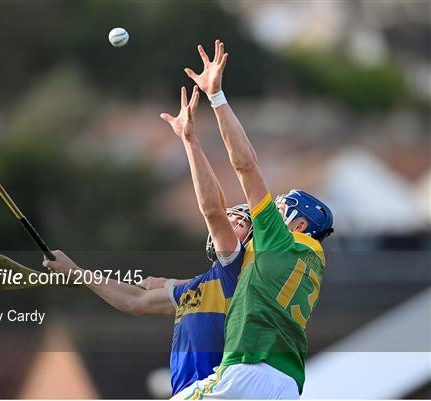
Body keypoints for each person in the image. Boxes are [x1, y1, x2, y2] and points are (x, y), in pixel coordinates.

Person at [43, 85, 253, 396]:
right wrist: (75, 271)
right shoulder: (198, 288)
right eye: (230, 219)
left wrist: (190, 141)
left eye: (238, 224)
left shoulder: (238, 274)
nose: (226, 225)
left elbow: (212, 209)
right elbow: (134, 301)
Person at [173, 40, 334, 399]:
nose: (273, 211)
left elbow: (244, 164)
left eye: (283, 208)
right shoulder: (314, 260)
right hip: (288, 385)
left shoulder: (280, 240)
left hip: (249, 369)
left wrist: (216, 97)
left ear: (301, 224)